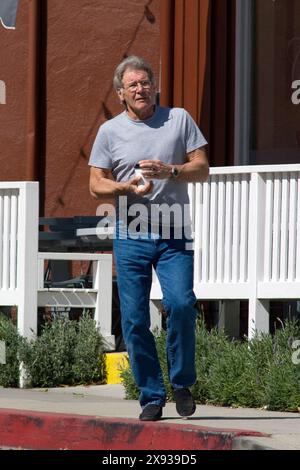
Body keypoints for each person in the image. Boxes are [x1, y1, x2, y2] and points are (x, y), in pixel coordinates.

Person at [89, 55, 209, 421]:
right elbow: (96, 185)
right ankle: (151, 396)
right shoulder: (109, 131)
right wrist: (122, 186)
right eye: (133, 85)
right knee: (135, 317)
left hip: (175, 233)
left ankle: (183, 382)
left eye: (146, 82)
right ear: (120, 94)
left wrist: (171, 170)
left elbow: (201, 168)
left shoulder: (179, 119)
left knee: (182, 305)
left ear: (155, 86)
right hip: (132, 232)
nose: (141, 89)